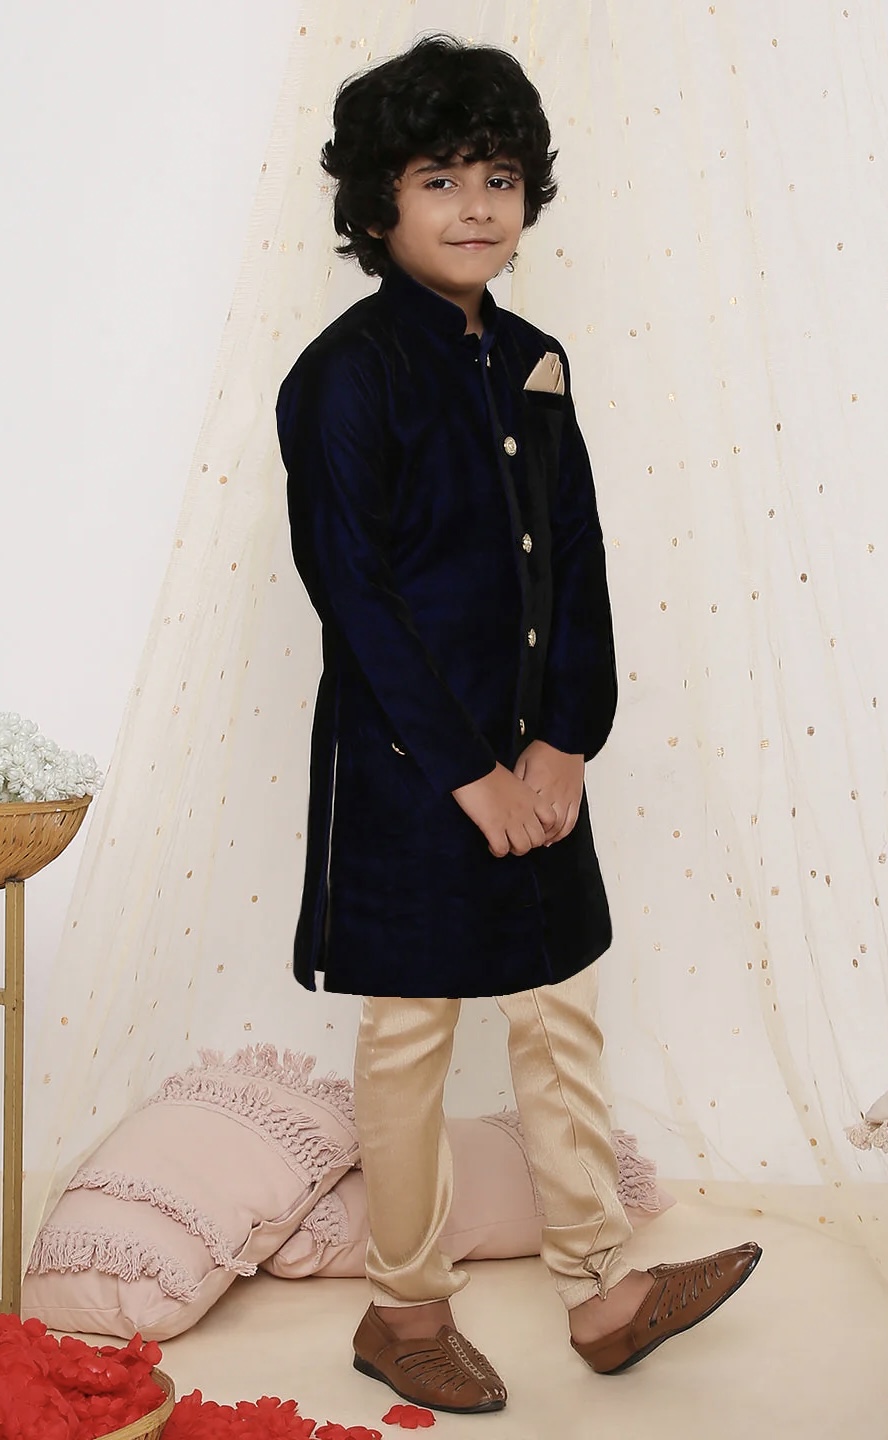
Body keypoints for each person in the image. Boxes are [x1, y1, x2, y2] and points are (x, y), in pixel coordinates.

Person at [276, 33, 760, 1415]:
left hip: (534, 756)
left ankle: (600, 1288)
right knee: (413, 1034)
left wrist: (564, 740)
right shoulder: (347, 374)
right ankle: (404, 1308)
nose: (477, 206)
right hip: (410, 767)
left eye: (498, 177)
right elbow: (352, 592)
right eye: (440, 179)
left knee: (558, 1008)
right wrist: (468, 773)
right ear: (378, 204)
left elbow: (581, 559)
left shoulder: (540, 359)